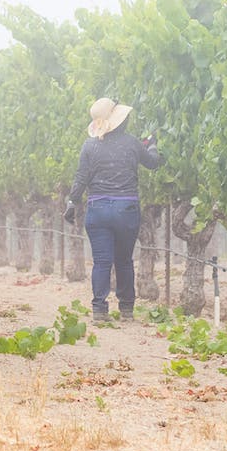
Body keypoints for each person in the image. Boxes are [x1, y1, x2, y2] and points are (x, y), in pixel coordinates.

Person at [65, 97, 162, 322]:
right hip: (126, 209)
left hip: (97, 210)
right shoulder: (132, 143)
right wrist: (153, 145)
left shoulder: (89, 145)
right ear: (120, 121)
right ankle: (127, 310)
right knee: (124, 260)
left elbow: (81, 178)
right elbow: (153, 163)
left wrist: (72, 202)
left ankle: (99, 309)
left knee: (102, 262)